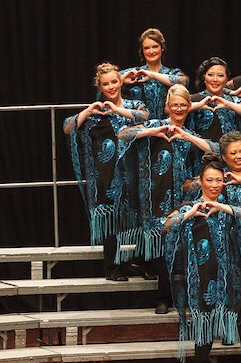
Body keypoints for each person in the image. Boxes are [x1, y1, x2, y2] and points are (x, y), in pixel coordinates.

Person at [164, 155, 241, 363]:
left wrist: (221, 206)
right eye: (210, 180)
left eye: (219, 180)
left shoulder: (229, 208)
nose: (214, 185)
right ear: (201, 181)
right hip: (204, 276)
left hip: (232, 275)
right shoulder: (189, 208)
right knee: (205, 320)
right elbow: (166, 225)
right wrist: (191, 213)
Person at [120, 84, 218, 314]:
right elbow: (123, 134)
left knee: (181, 248)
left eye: (183, 105)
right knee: (163, 248)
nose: (179, 109)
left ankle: (184, 298)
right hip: (155, 197)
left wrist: (185, 135)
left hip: (184, 197)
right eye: (174, 105)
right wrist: (154, 132)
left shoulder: (189, 133)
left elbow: (213, 149)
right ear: (167, 106)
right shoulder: (155, 125)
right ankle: (163, 298)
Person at [64, 63, 149, 280]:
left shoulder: (134, 104)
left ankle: (137, 262)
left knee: (136, 216)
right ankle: (113, 268)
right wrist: (89, 110)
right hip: (107, 174)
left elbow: (144, 117)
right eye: (105, 84)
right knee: (111, 218)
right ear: (100, 86)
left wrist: (117, 110)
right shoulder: (97, 111)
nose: (111, 86)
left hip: (133, 170)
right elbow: (68, 127)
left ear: (121, 81)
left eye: (114, 81)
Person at [121, 28, 186, 119]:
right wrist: (123, 79)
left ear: (162, 48)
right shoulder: (134, 73)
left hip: (167, 127)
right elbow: (107, 81)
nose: (151, 51)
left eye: (155, 46)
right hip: (139, 128)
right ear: (142, 51)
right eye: (146, 48)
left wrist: (152, 75)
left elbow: (183, 81)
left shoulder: (172, 73)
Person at [188, 57, 241, 143]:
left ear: (226, 79)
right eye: (210, 75)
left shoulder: (232, 99)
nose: (215, 79)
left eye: (220, 75)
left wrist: (228, 104)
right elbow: (172, 110)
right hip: (204, 153)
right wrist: (197, 105)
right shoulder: (194, 99)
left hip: (232, 152)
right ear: (204, 77)